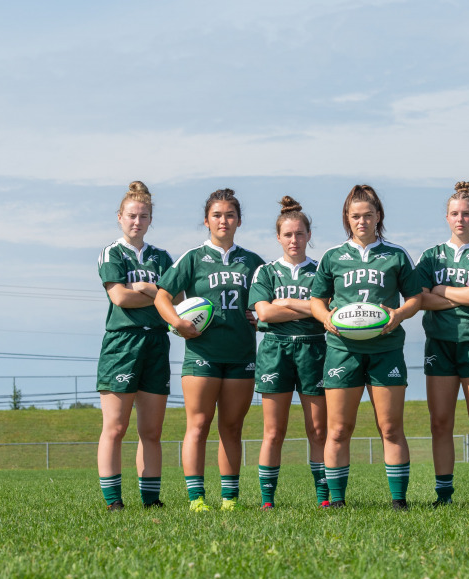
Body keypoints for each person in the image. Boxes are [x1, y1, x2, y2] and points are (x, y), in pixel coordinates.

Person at [309, 184, 422, 510]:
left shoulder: (396, 255)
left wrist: (399, 314)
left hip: (385, 348)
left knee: (390, 427)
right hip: (343, 349)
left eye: (368, 215)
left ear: (378, 217)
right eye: (355, 216)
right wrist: (326, 317)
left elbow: (416, 297)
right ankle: (338, 501)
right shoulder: (333, 257)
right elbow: (317, 300)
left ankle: (399, 501)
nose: (362, 221)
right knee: (339, 428)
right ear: (347, 218)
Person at [155, 188, 264, 512]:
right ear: (206, 220)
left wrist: (261, 317)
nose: (223, 220)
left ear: (239, 220)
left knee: (232, 427)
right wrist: (177, 322)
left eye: (230, 215)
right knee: (199, 424)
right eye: (217, 215)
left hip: (241, 353)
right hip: (202, 354)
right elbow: (162, 295)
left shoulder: (253, 262)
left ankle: (230, 498)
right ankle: (196, 498)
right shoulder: (193, 258)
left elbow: (265, 303)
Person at [415, 182, 469, 508]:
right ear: (447, 217)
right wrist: (457, 296)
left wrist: (442, 290)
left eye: (466, 213)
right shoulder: (430, 256)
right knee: (440, 422)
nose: (460, 219)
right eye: (454, 213)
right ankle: (444, 495)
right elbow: (420, 299)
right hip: (439, 344)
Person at [96, 181, 174, 511]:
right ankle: (114, 501)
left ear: (150, 219)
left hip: (157, 342)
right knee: (116, 427)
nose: (136, 222)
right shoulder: (112, 253)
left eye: (143, 216)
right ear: (119, 217)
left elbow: (174, 300)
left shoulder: (163, 257)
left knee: (151, 429)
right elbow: (119, 296)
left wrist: (147, 289)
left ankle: (151, 499)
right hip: (122, 343)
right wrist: (153, 293)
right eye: (131, 215)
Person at [249, 196, 329, 510]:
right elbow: (264, 314)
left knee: (318, 429)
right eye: (288, 235)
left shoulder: (322, 270)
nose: (294, 240)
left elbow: (328, 310)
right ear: (278, 238)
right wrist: (309, 309)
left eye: (299, 234)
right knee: (274, 430)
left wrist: (287, 304)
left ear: (309, 235)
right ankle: (267, 500)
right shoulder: (265, 273)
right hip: (275, 351)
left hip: (315, 348)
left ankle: (324, 497)